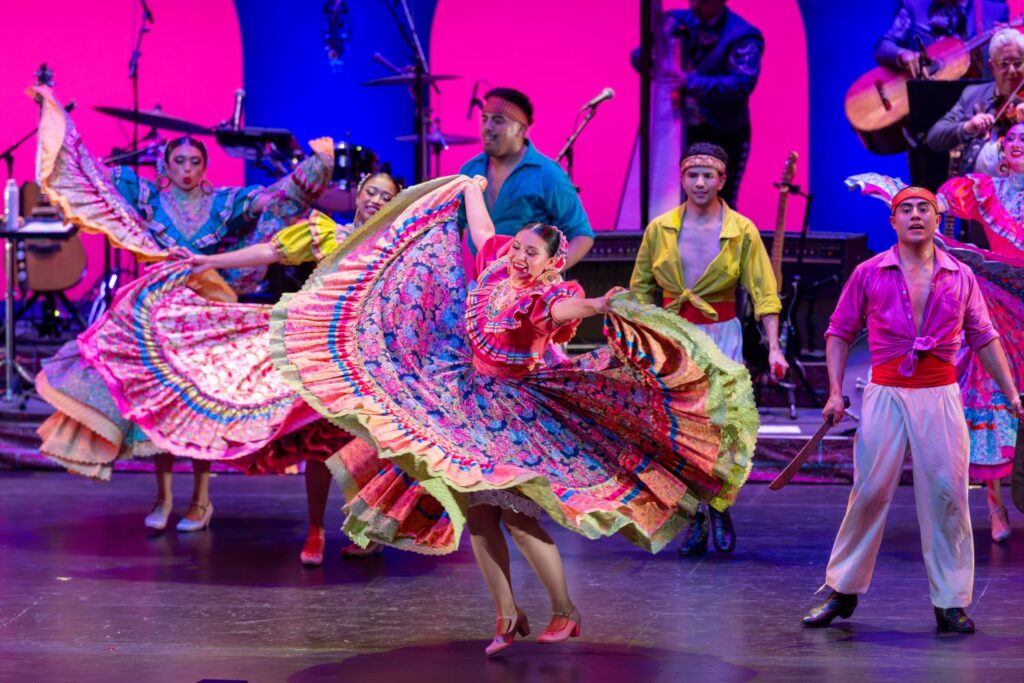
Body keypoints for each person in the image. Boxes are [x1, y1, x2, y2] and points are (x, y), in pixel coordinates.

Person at [269, 174, 759, 655]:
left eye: (531, 253)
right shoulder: (499, 266)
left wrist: (596, 303)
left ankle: (566, 611)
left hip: (511, 412)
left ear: (551, 263)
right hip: (463, 396)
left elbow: (568, 310)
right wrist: (468, 188)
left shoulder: (547, 293)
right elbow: (483, 234)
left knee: (519, 519)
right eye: (518, 247)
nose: (519, 256)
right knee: (479, 519)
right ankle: (507, 614)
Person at [30, 84, 333, 533]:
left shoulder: (223, 201)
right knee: (160, 410)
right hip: (161, 313)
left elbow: (276, 197)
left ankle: (201, 501)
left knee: (200, 409)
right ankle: (164, 499)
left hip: (207, 315)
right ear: (164, 167)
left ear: (205, 168)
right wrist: (54, 116)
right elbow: (91, 174)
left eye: (195, 162)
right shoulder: (148, 196)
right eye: (179, 162)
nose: (188, 169)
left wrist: (320, 163)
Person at [802, 187, 1022, 634]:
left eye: (925, 209)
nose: (916, 215)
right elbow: (839, 331)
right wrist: (834, 391)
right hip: (885, 391)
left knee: (948, 496)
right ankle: (842, 590)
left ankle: (951, 601)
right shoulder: (869, 272)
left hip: (939, 395)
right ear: (893, 221)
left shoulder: (959, 275)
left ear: (938, 220)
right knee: (869, 493)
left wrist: (1012, 394)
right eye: (907, 209)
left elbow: (985, 337)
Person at [182, 172, 402, 562]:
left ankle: (366, 528)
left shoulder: (396, 250)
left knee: (367, 449)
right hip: (322, 355)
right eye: (371, 191)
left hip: (370, 360)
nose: (375, 200)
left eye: (386, 196)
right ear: (358, 193)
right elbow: (270, 251)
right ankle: (315, 530)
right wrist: (210, 260)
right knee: (319, 447)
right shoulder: (327, 233)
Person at [630, 142, 786, 557]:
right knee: (679, 432)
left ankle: (719, 505)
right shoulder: (660, 227)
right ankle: (693, 516)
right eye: (692, 175)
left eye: (708, 175)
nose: (699, 183)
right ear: (682, 179)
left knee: (722, 429)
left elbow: (764, 294)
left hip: (721, 336)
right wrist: (640, 340)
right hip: (672, 338)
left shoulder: (741, 230)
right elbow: (641, 290)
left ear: (721, 180)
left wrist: (774, 347)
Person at [629, 0, 763, 207]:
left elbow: (742, 84)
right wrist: (654, 52)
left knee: (718, 203)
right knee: (672, 200)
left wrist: (689, 81)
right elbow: (638, 57)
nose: (694, 4)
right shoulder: (677, 21)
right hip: (682, 131)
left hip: (723, 133)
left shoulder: (743, 35)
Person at [458, 87, 594, 278]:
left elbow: (582, 235)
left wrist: (549, 271)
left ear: (521, 129)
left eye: (498, 120)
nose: (487, 127)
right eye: (484, 119)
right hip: (482, 284)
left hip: (531, 291)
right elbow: (454, 228)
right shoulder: (470, 171)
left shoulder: (548, 175)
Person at [925, 27, 1024, 177]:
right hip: (977, 192)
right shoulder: (973, 95)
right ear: (992, 67)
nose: (1011, 71)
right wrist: (967, 127)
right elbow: (934, 137)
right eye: (1004, 64)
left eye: (1018, 63)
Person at [875, 0, 1008, 79]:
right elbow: (883, 47)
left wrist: (1004, 48)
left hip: (973, 111)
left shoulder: (995, 12)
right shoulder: (914, 5)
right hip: (920, 107)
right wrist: (903, 55)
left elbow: (1005, 70)